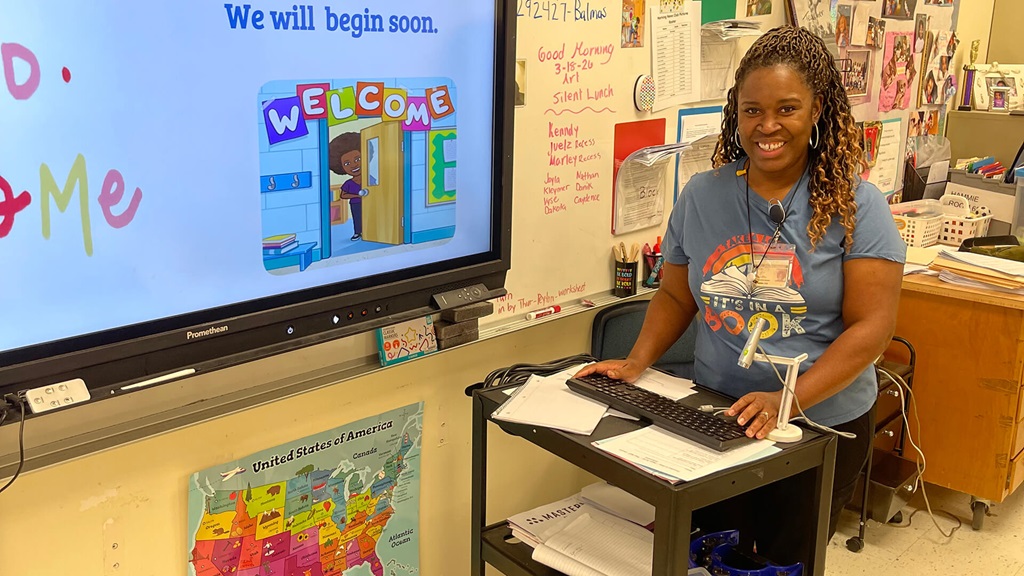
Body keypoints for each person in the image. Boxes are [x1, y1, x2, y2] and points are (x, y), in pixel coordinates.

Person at [576, 26, 905, 562]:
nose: (767, 126)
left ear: (817, 109)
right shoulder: (703, 194)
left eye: (787, 109)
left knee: (782, 562)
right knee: (710, 556)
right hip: (717, 411)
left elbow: (872, 328)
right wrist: (635, 362)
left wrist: (789, 401)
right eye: (752, 110)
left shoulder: (856, 206)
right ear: (736, 111)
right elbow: (678, 297)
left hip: (819, 423)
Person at [328, 132, 370, 241]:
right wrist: (356, 195)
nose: (354, 165)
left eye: (357, 159)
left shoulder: (369, 178)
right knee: (357, 218)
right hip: (355, 204)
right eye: (347, 164)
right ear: (340, 167)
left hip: (370, 202)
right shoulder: (348, 183)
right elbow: (343, 195)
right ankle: (357, 232)